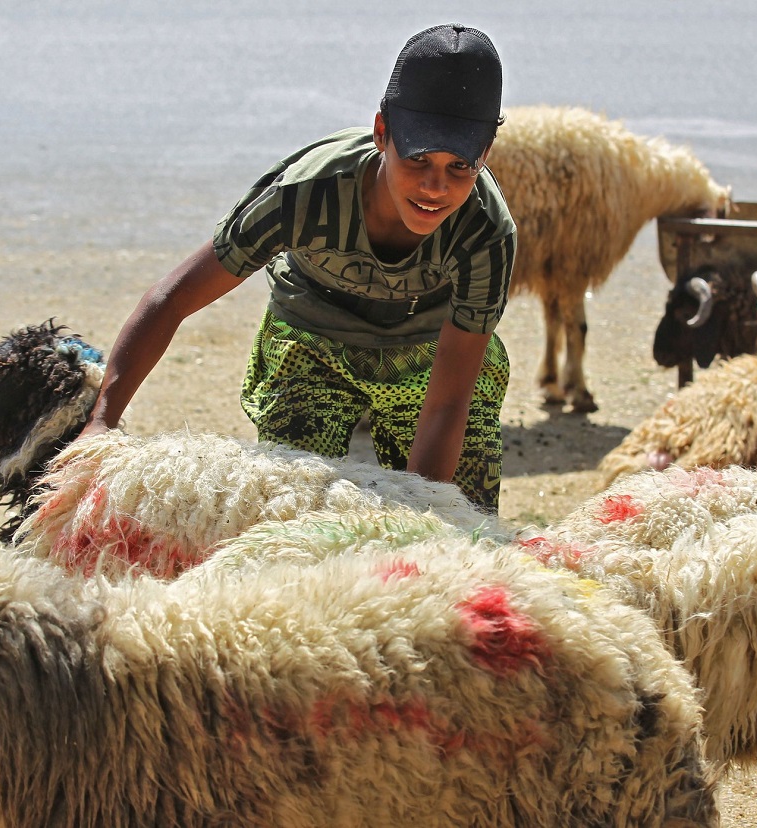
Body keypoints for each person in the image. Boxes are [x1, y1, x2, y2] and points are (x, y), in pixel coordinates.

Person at [79, 23, 516, 512]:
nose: (435, 187)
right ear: (382, 133)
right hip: (312, 342)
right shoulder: (305, 195)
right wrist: (101, 423)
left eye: (459, 166)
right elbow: (174, 297)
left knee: (461, 518)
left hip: (427, 349)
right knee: (292, 508)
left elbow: (448, 401)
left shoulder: (486, 234)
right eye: (418, 159)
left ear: (485, 153)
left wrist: (426, 516)